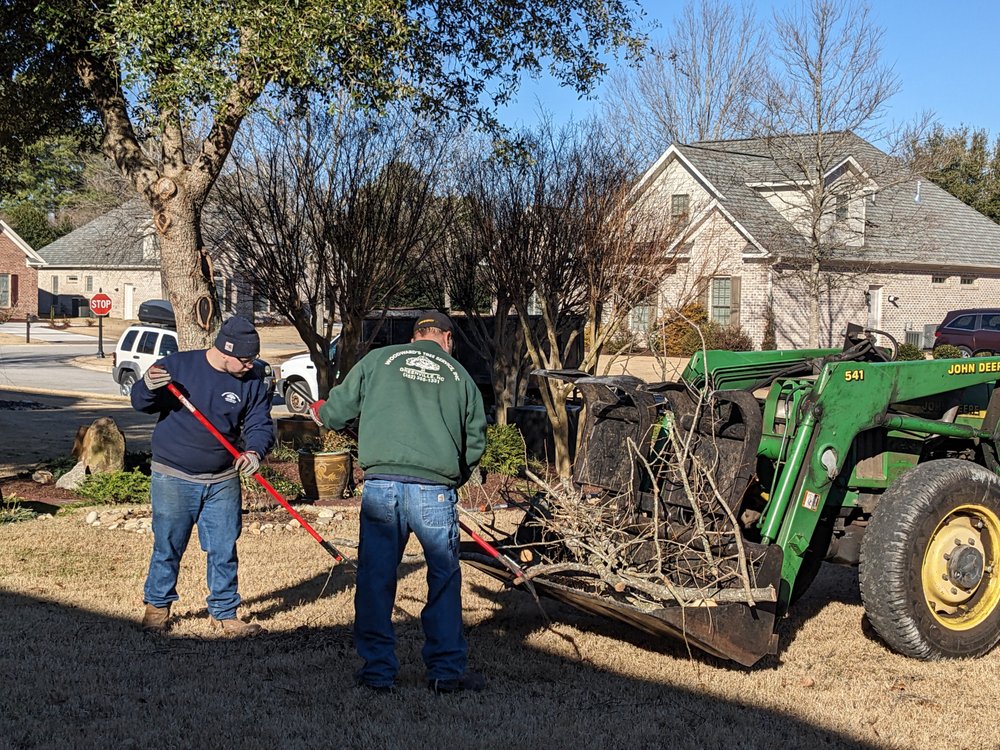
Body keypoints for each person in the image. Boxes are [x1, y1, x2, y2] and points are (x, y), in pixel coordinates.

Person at [310, 311, 487, 694]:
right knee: (443, 578)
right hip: (434, 491)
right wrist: (453, 478)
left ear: (414, 337)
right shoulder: (459, 375)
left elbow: (336, 413)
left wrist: (322, 412)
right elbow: (476, 441)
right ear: (447, 339)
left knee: (376, 578)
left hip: (381, 487)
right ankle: (445, 671)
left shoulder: (379, 360)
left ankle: (377, 671)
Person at [132, 316, 275, 636]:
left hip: (223, 477)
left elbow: (259, 424)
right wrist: (147, 386)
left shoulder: (251, 380)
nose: (250, 365)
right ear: (225, 350)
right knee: (168, 545)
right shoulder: (178, 367)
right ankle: (157, 608)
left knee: (224, 547)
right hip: (173, 475)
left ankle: (224, 612)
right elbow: (140, 403)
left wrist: (254, 451)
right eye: (245, 359)